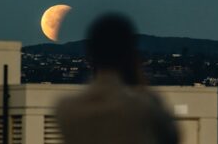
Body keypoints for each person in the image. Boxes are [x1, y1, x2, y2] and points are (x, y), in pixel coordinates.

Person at [56, 13, 180, 144]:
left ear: (90, 54)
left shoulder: (66, 109)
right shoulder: (145, 106)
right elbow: (171, 137)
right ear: (130, 55)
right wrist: (140, 81)